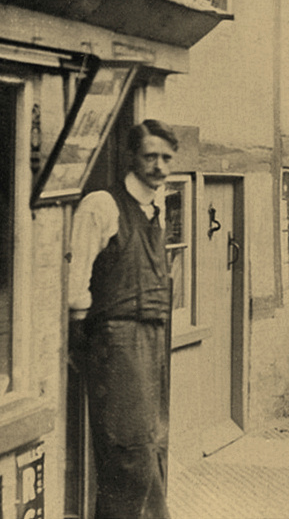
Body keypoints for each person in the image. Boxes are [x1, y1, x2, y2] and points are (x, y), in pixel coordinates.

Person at [68, 120, 179, 519]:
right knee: (128, 451)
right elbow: (76, 279)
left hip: (153, 338)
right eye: (150, 156)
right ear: (132, 157)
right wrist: (83, 333)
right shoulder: (102, 205)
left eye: (166, 158)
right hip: (116, 339)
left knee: (153, 444)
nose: (159, 166)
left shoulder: (158, 205)